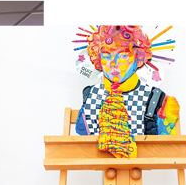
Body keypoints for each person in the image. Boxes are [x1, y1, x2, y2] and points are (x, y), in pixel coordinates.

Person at [75, 25, 180, 156]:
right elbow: (81, 138)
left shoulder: (157, 99)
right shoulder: (90, 95)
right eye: (106, 56)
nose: (113, 63)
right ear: (98, 60)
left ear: (139, 59)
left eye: (123, 55)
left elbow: (165, 149)